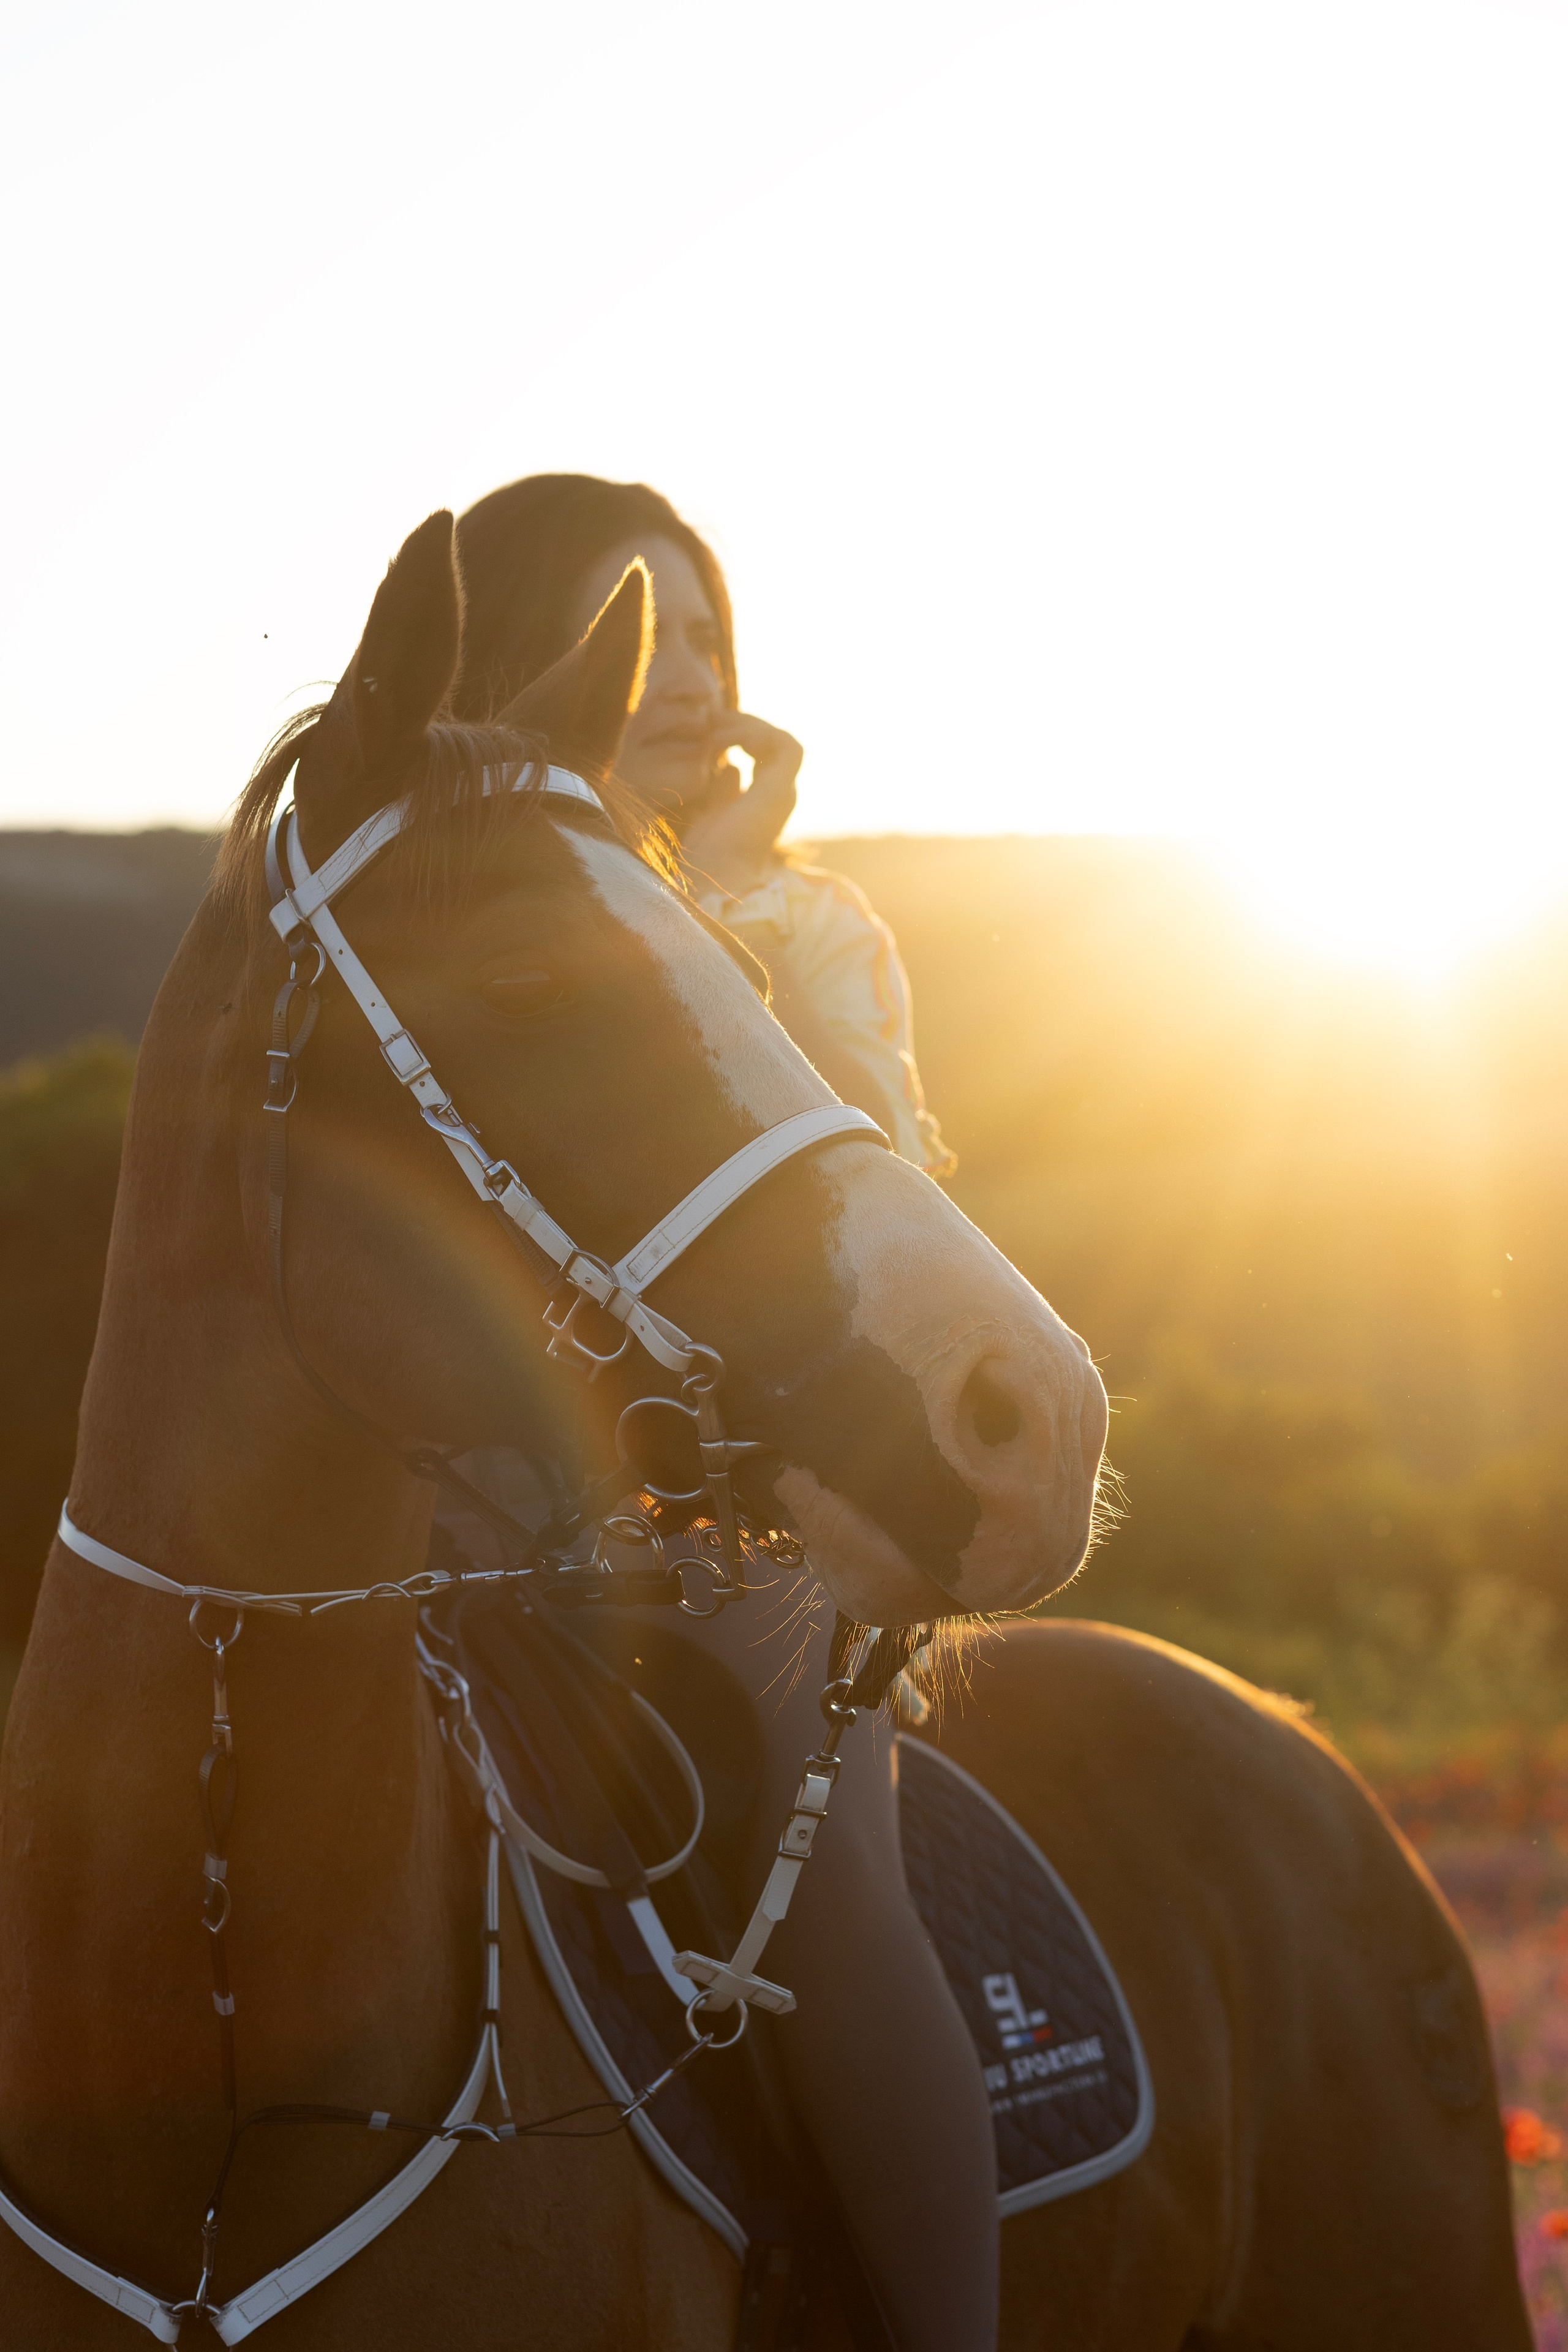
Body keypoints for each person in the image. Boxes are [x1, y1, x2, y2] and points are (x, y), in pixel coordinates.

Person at [447, 474, 995, 2352]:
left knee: (829, 1884)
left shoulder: (814, 925)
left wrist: (734, 888)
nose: (686, 677)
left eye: (709, 637)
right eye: (639, 634)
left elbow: (882, 1206)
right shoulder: (457, 922)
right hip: (476, 1508)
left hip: (759, 1525)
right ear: (534, 662)